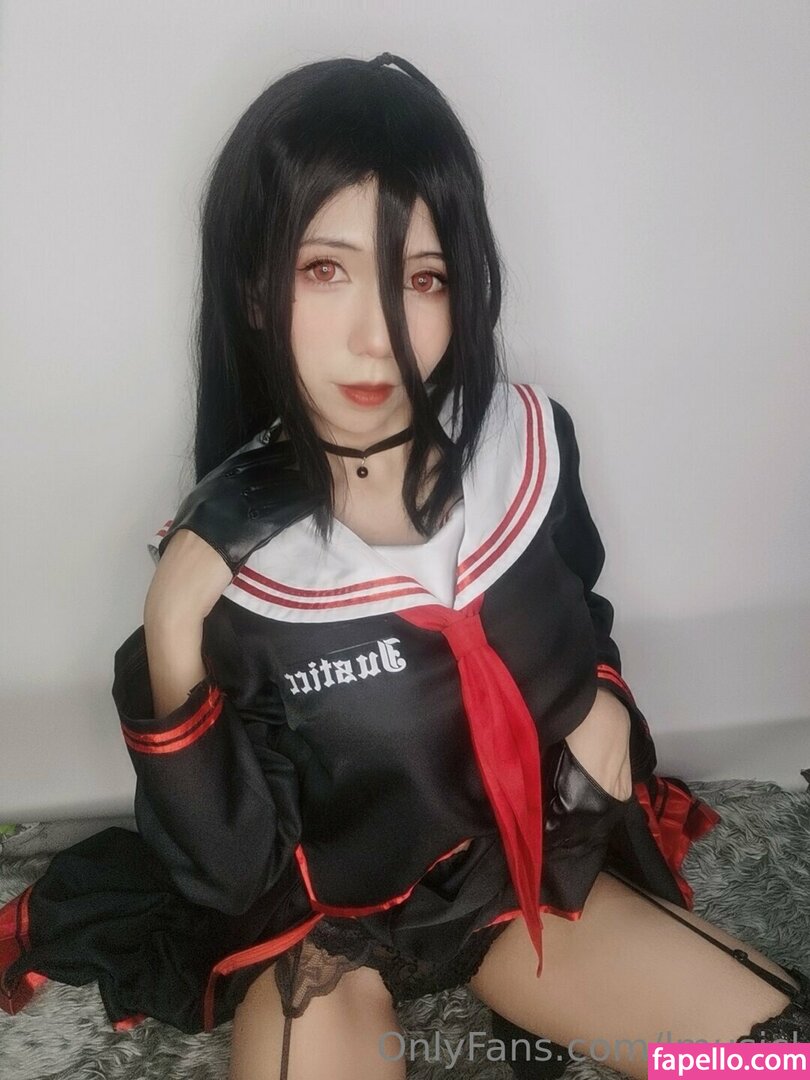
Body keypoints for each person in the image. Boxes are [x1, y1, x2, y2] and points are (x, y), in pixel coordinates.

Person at [1, 52, 808, 1080]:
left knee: (775, 1064)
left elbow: (578, 597)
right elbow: (229, 869)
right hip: (323, 936)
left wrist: (597, 693)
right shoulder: (234, 576)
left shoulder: (526, 445)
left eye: (421, 278)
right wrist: (171, 625)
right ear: (254, 290)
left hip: (515, 879)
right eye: (324, 269)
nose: (377, 334)